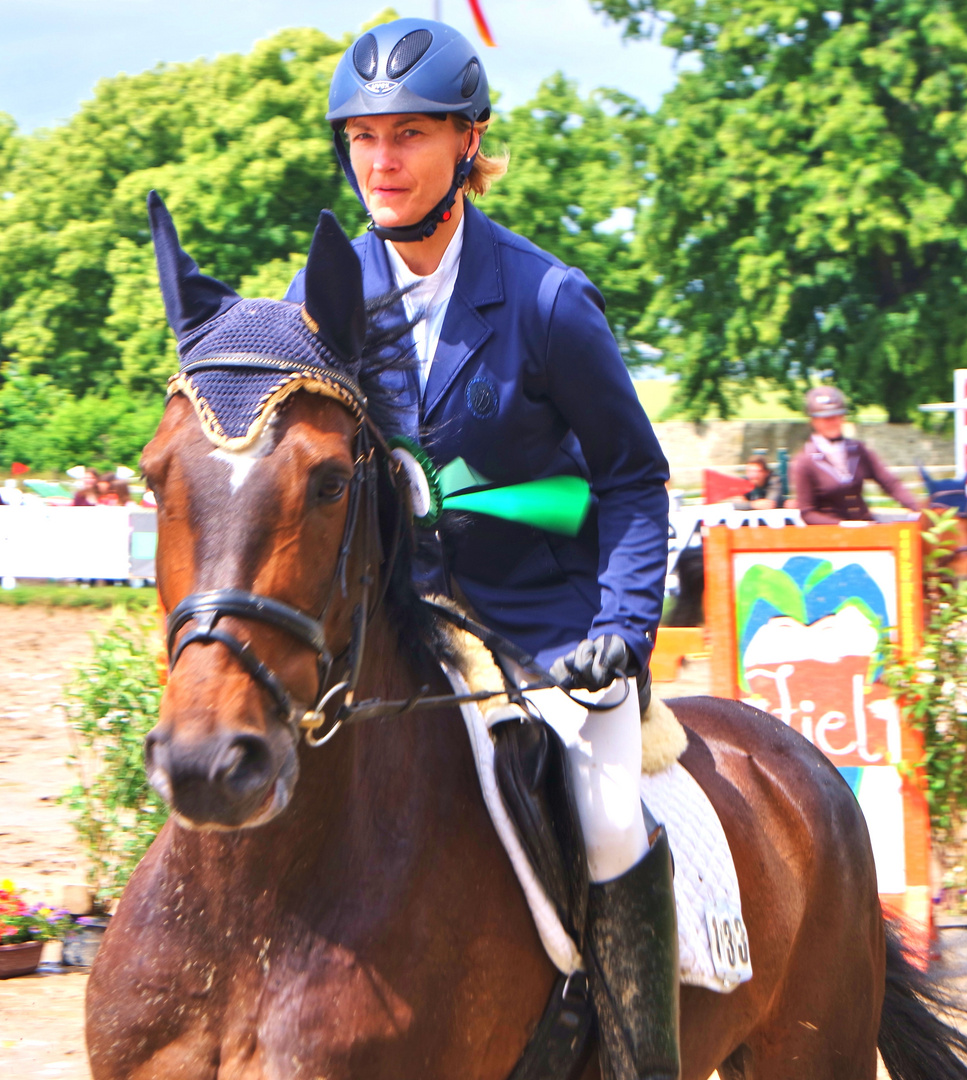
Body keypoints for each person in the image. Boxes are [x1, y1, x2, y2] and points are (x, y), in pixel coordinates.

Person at [288, 20, 676, 1079]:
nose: (382, 161)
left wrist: (621, 630)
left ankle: (639, 1053)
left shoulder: (548, 302)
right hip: (393, 638)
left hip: (546, 635)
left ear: (470, 143)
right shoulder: (320, 302)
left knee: (603, 819)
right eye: (363, 137)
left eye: (409, 134)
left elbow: (635, 480)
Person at [793, 386, 922, 524]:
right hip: (831, 535)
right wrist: (843, 525)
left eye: (836, 416)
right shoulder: (805, 462)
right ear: (813, 421)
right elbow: (807, 512)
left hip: (865, 525)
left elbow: (890, 483)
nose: (832, 422)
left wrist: (917, 508)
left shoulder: (857, 450)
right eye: (825, 418)